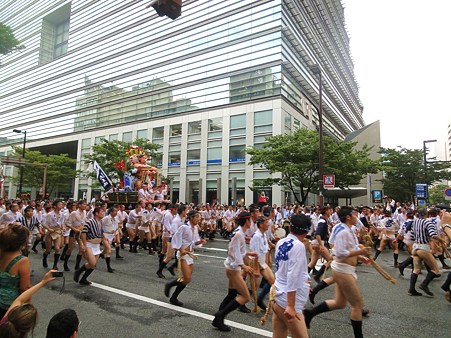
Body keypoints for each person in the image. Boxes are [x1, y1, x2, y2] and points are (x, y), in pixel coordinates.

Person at [304, 207, 371, 338]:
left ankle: (310, 313)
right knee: (357, 305)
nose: (356, 216)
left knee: (339, 303)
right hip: (343, 270)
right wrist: (361, 252)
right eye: (354, 214)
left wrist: (360, 256)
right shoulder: (343, 231)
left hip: (343, 269)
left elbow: (345, 246)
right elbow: (340, 253)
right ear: (348, 217)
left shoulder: (343, 228)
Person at [211, 211, 257, 332]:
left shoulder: (239, 232)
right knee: (245, 296)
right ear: (247, 221)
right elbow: (232, 251)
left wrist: (248, 253)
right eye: (250, 220)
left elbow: (237, 250)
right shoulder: (239, 234)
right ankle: (219, 316)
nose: (251, 222)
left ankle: (218, 319)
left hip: (232, 266)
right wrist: (243, 266)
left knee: (232, 294)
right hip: (233, 268)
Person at [271, 214, 311, 338]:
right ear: (306, 231)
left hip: (278, 293)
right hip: (286, 299)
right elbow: (293, 276)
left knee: (279, 334)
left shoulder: (281, 242)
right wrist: (290, 305)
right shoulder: (298, 246)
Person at [164, 210, 206, 306]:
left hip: (189, 255)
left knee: (186, 279)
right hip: (183, 255)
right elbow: (175, 238)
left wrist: (200, 242)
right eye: (196, 217)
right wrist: (180, 248)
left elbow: (194, 242)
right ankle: (170, 285)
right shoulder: (184, 227)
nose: (197, 219)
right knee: (187, 278)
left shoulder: (194, 228)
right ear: (190, 218)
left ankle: (173, 297)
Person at [0, 270, 56, 338]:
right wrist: (43, 282)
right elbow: (20, 299)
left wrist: (42, 282)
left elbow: (20, 299)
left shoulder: (3, 324)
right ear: (29, 328)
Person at [408, 208, 445, 296]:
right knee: (435, 269)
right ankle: (424, 284)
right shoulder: (427, 222)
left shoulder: (415, 222)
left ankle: (411, 289)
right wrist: (441, 240)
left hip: (415, 247)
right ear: (426, 214)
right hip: (423, 247)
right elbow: (433, 235)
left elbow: (412, 237)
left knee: (416, 269)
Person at [0, 223, 31, 319]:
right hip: (9, 304)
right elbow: (24, 288)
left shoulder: (1, 253)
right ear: (22, 243)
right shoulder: (22, 260)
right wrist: (28, 306)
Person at [249, 215, 275, 312]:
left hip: (262, 262)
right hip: (255, 262)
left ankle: (260, 299)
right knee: (253, 287)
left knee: (273, 281)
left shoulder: (263, 234)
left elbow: (265, 248)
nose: (268, 224)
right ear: (260, 224)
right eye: (266, 223)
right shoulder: (257, 236)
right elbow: (255, 254)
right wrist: (256, 269)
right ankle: (241, 301)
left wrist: (272, 245)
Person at [73, 207, 104, 285]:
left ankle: (83, 279)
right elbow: (84, 232)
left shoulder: (101, 222)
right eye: (102, 211)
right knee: (92, 263)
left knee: (93, 265)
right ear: (96, 213)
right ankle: (79, 271)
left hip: (97, 245)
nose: (103, 213)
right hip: (90, 244)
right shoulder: (90, 221)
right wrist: (84, 244)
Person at [42, 201, 64, 270]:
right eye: (59, 204)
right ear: (55, 206)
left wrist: (63, 227)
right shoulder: (49, 214)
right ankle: (45, 257)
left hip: (57, 231)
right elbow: (44, 223)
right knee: (48, 249)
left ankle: (55, 265)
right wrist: (48, 229)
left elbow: (62, 223)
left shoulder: (62, 214)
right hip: (50, 232)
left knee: (57, 248)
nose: (61, 205)